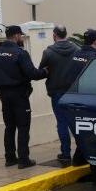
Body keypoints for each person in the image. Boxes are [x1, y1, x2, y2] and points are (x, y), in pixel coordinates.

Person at [0, 25, 47, 169]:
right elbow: (32, 73)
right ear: (15, 36)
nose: (21, 38)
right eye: (20, 35)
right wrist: (46, 71)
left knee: (9, 127)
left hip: (4, 96)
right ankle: (23, 159)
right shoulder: (20, 53)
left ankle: (10, 158)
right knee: (23, 127)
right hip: (19, 96)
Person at [67, 29, 96, 183]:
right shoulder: (95, 58)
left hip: (75, 102)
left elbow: (68, 77)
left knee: (84, 132)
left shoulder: (75, 56)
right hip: (92, 103)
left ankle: (78, 159)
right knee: (94, 137)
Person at [39, 25, 79, 165]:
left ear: (54, 35)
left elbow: (41, 70)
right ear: (65, 34)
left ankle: (66, 154)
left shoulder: (49, 52)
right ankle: (82, 152)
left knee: (62, 123)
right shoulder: (76, 49)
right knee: (75, 122)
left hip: (57, 92)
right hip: (73, 92)